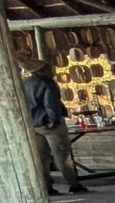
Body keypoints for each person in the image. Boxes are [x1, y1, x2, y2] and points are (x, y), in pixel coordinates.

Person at [19, 57, 86, 195]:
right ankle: (73, 184)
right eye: (48, 67)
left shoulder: (24, 84)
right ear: (41, 69)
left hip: (33, 125)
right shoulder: (48, 83)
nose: (51, 69)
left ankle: (46, 187)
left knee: (41, 158)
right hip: (49, 125)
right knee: (62, 155)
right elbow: (51, 103)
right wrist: (53, 119)